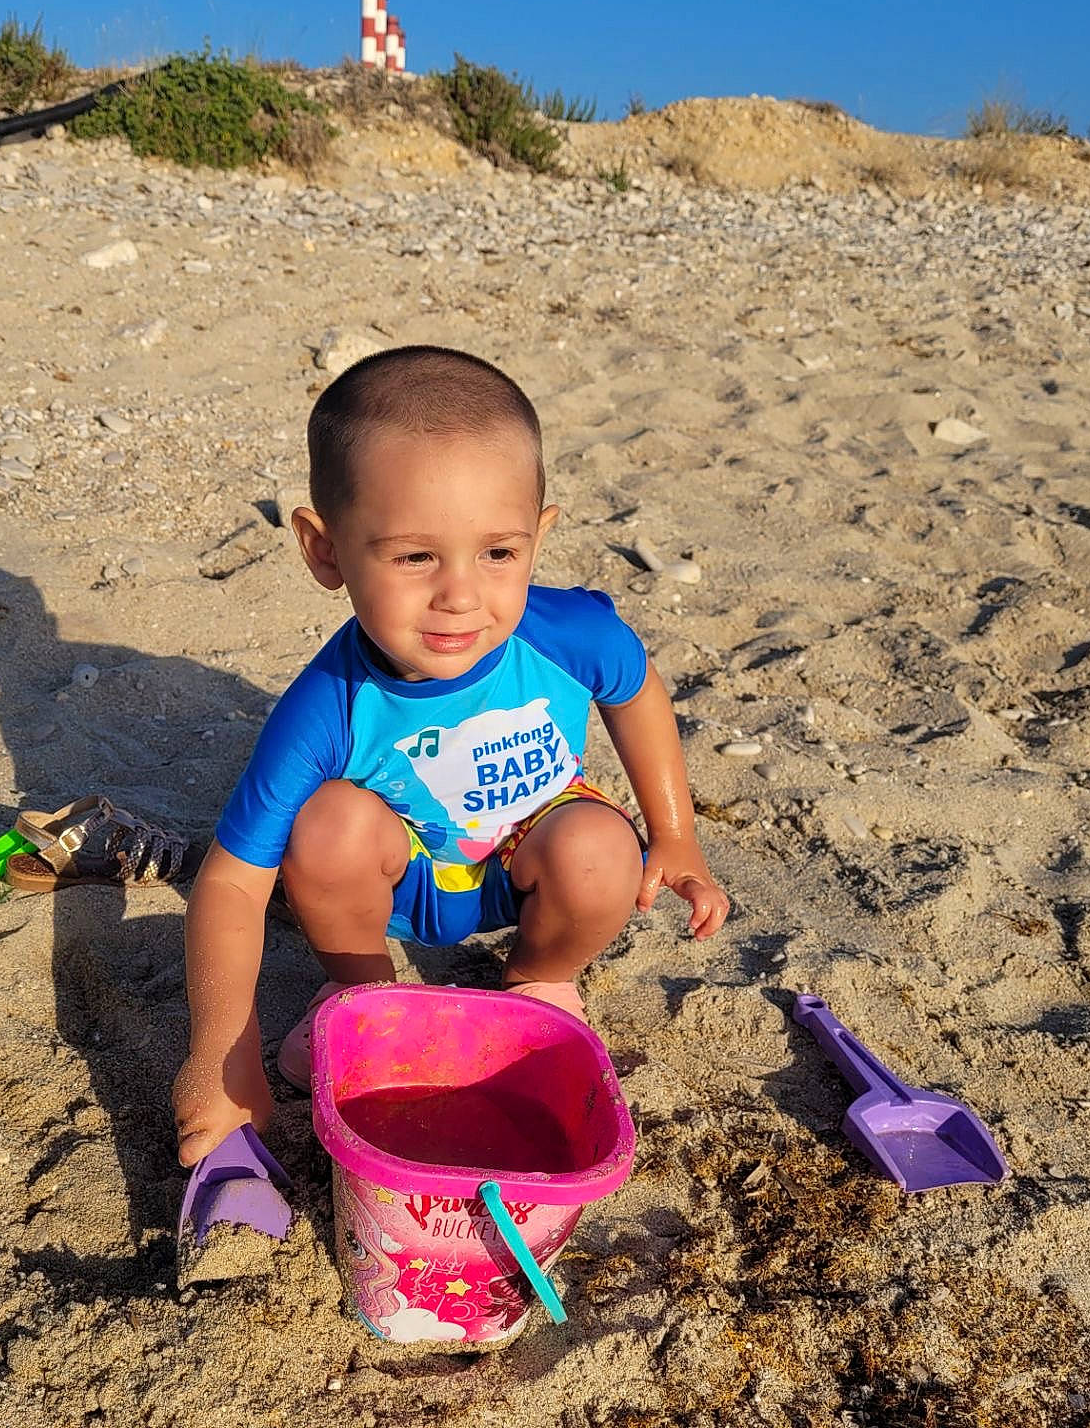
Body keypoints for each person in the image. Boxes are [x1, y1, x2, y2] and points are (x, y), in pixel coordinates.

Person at [172, 346, 729, 1167]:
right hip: (396, 882)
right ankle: (360, 989)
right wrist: (221, 1059)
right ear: (326, 552)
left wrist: (674, 833)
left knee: (600, 849)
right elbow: (229, 883)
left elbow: (635, 688)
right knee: (327, 825)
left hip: (531, 854)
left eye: (498, 553)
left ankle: (540, 978)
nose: (461, 596)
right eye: (414, 557)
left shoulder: (567, 633)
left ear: (538, 537)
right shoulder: (326, 705)